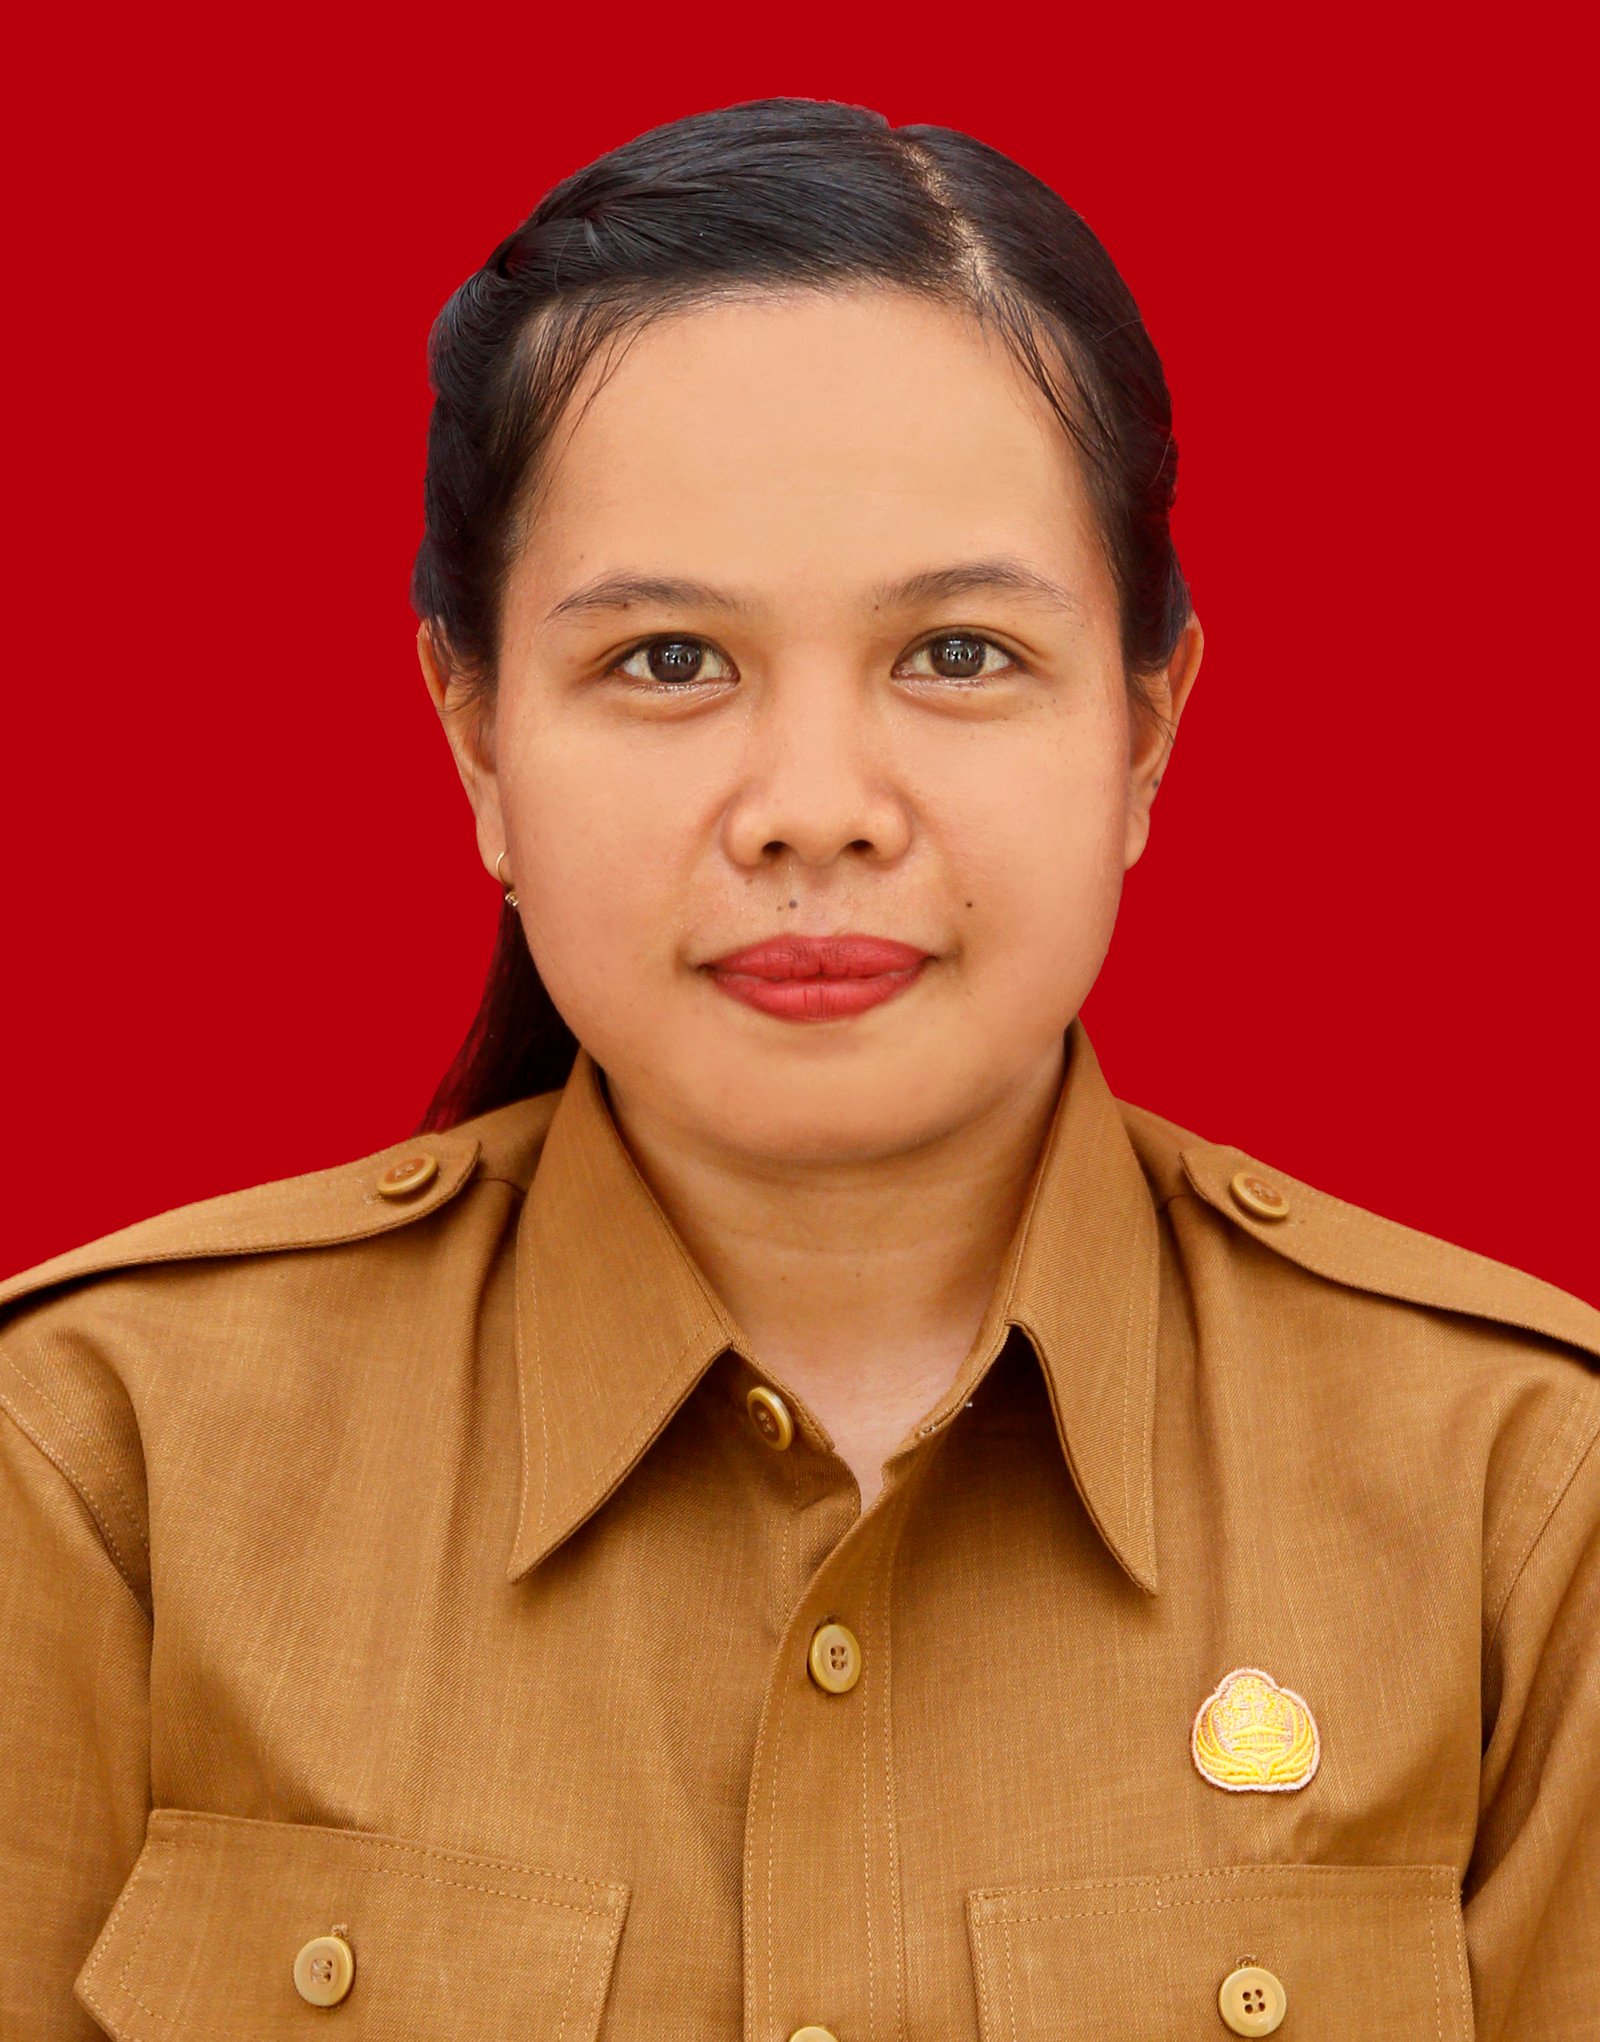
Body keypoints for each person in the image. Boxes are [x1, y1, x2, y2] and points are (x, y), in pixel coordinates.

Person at [2, 96, 1595, 2042]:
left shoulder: (1523, 1494)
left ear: (1144, 729)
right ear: (477, 737)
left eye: (958, 652)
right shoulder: (98, 1458)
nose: (814, 808)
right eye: (670, 660)